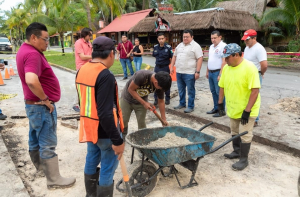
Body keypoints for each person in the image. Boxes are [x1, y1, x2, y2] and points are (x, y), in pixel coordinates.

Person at [16, 22, 76, 189]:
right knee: (47, 141)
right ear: (34, 37)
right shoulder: (33, 54)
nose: (47, 42)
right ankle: (54, 179)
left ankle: (42, 168)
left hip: (33, 105)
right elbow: (31, 80)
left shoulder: (24, 50)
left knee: (35, 137)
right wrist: (45, 99)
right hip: (40, 106)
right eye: (46, 39)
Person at [76, 36, 125, 196]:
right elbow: (105, 113)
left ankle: (90, 194)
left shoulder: (82, 70)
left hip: (89, 128)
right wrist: (117, 140)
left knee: (91, 157)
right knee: (107, 167)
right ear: (111, 53)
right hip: (105, 132)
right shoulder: (105, 75)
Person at [218, 43, 261, 171]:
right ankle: (236, 152)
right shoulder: (226, 68)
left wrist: (247, 111)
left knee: (245, 134)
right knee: (234, 131)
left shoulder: (250, 68)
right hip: (233, 108)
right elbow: (222, 86)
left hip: (247, 109)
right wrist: (220, 104)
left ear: (236, 55)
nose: (225, 60)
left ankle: (244, 159)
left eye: (227, 57)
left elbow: (255, 91)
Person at [120, 70, 172, 136]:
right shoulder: (142, 76)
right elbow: (131, 89)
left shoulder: (160, 85)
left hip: (141, 101)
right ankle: (122, 138)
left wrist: (163, 119)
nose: (160, 89)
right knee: (123, 121)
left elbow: (161, 101)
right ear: (156, 83)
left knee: (142, 123)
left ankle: (142, 139)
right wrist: (144, 103)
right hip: (127, 99)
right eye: (160, 88)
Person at [170, 29, 203, 113]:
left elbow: (200, 58)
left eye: (187, 37)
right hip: (179, 71)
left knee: (190, 90)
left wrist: (197, 72)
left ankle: (191, 106)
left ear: (192, 37)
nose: (185, 38)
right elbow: (174, 56)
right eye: (184, 37)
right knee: (181, 89)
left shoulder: (196, 46)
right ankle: (182, 103)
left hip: (190, 73)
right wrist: (171, 67)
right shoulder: (179, 45)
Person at [242, 29, 267, 127]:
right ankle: (248, 114)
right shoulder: (247, 48)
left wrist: (261, 73)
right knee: (247, 95)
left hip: (255, 74)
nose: (245, 41)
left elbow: (264, 65)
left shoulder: (259, 49)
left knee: (255, 96)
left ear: (254, 38)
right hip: (246, 74)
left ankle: (255, 119)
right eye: (245, 39)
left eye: (247, 39)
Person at [206, 30, 227, 117]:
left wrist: (220, 74)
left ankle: (221, 110)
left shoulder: (223, 46)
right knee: (213, 91)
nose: (213, 40)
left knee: (220, 92)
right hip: (211, 72)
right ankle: (215, 108)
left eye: (215, 38)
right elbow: (209, 59)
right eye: (212, 38)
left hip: (218, 71)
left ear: (220, 37)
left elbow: (224, 61)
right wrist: (207, 71)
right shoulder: (211, 47)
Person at [73, 28, 93, 112]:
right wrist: (95, 56)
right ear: (85, 35)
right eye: (89, 35)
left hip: (89, 67)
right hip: (81, 68)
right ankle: (76, 104)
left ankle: (85, 104)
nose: (91, 37)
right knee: (80, 86)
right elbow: (82, 56)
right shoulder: (79, 43)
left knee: (88, 87)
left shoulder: (89, 43)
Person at [152, 33, 173, 106]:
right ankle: (156, 98)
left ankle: (167, 98)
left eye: (162, 39)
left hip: (165, 67)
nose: (161, 40)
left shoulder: (168, 47)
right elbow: (154, 56)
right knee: (155, 82)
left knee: (166, 82)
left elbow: (172, 57)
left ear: (165, 38)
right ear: (157, 39)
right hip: (157, 67)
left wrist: (171, 66)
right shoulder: (155, 47)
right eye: (159, 39)